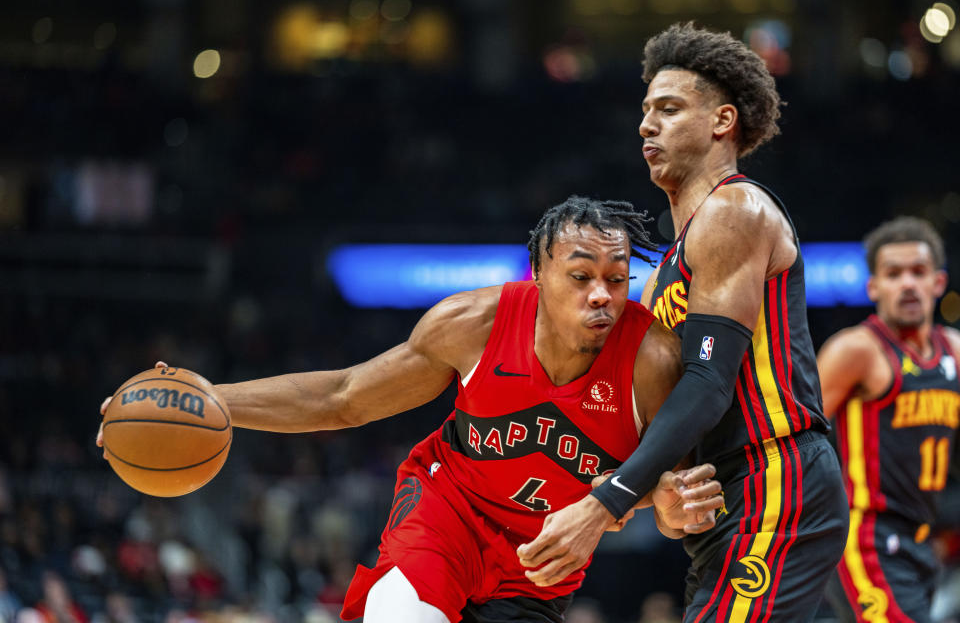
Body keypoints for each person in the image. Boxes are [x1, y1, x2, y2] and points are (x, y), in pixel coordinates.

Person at [97, 196, 724, 623]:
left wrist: (664, 507)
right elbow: (343, 397)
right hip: (449, 511)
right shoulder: (472, 325)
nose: (602, 295)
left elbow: (669, 501)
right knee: (400, 610)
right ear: (537, 272)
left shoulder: (654, 362)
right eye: (580, 275)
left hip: (540, 561)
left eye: (618, 279)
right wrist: (211, 399)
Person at [519, 22, 849, 622]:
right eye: (645, 112)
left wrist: (607, 503)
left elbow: (708, 381)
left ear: (722, 121)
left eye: (668, 110)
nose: (646, 125)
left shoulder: (734, 208)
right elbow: (663, 410)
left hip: (777, 472)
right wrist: (660, 494)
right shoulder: (664, 267)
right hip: (725, 497)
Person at [817, 217, 960, 623]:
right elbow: (794, 433)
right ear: (873, 287)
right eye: (893, 274)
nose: (908, 284)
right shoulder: (856, 350)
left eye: (918, 272)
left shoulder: (954, 351)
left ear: (938, 282)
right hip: (865, 538)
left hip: (923, 538)